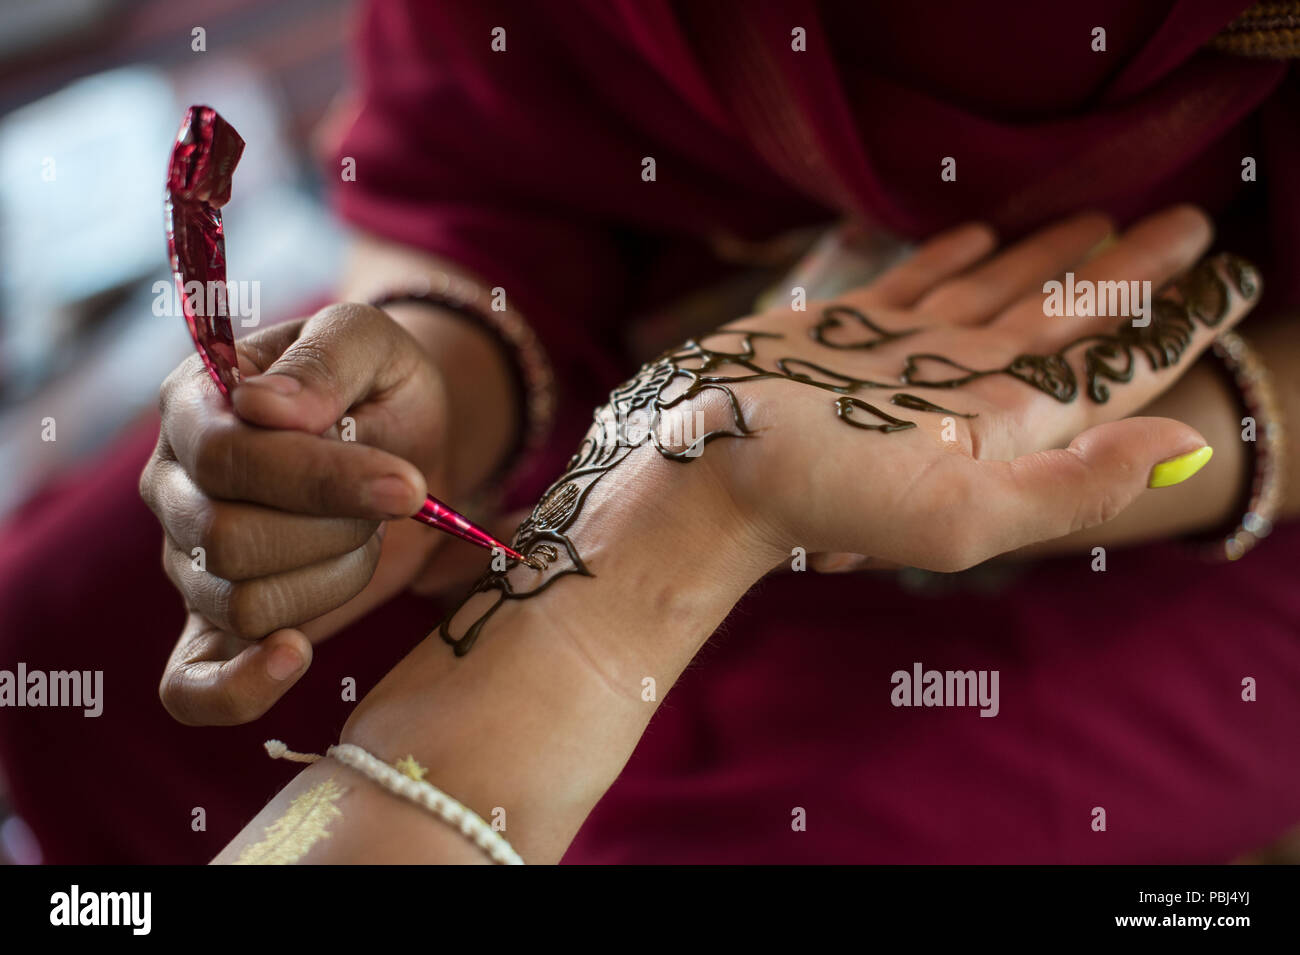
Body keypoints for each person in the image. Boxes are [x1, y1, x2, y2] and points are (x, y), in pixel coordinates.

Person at [2, 0, 1298, 863]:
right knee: (60, 644)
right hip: (645, 314)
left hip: (1221, 493)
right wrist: (449, 376)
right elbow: (482, 137)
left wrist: (1187, 430)